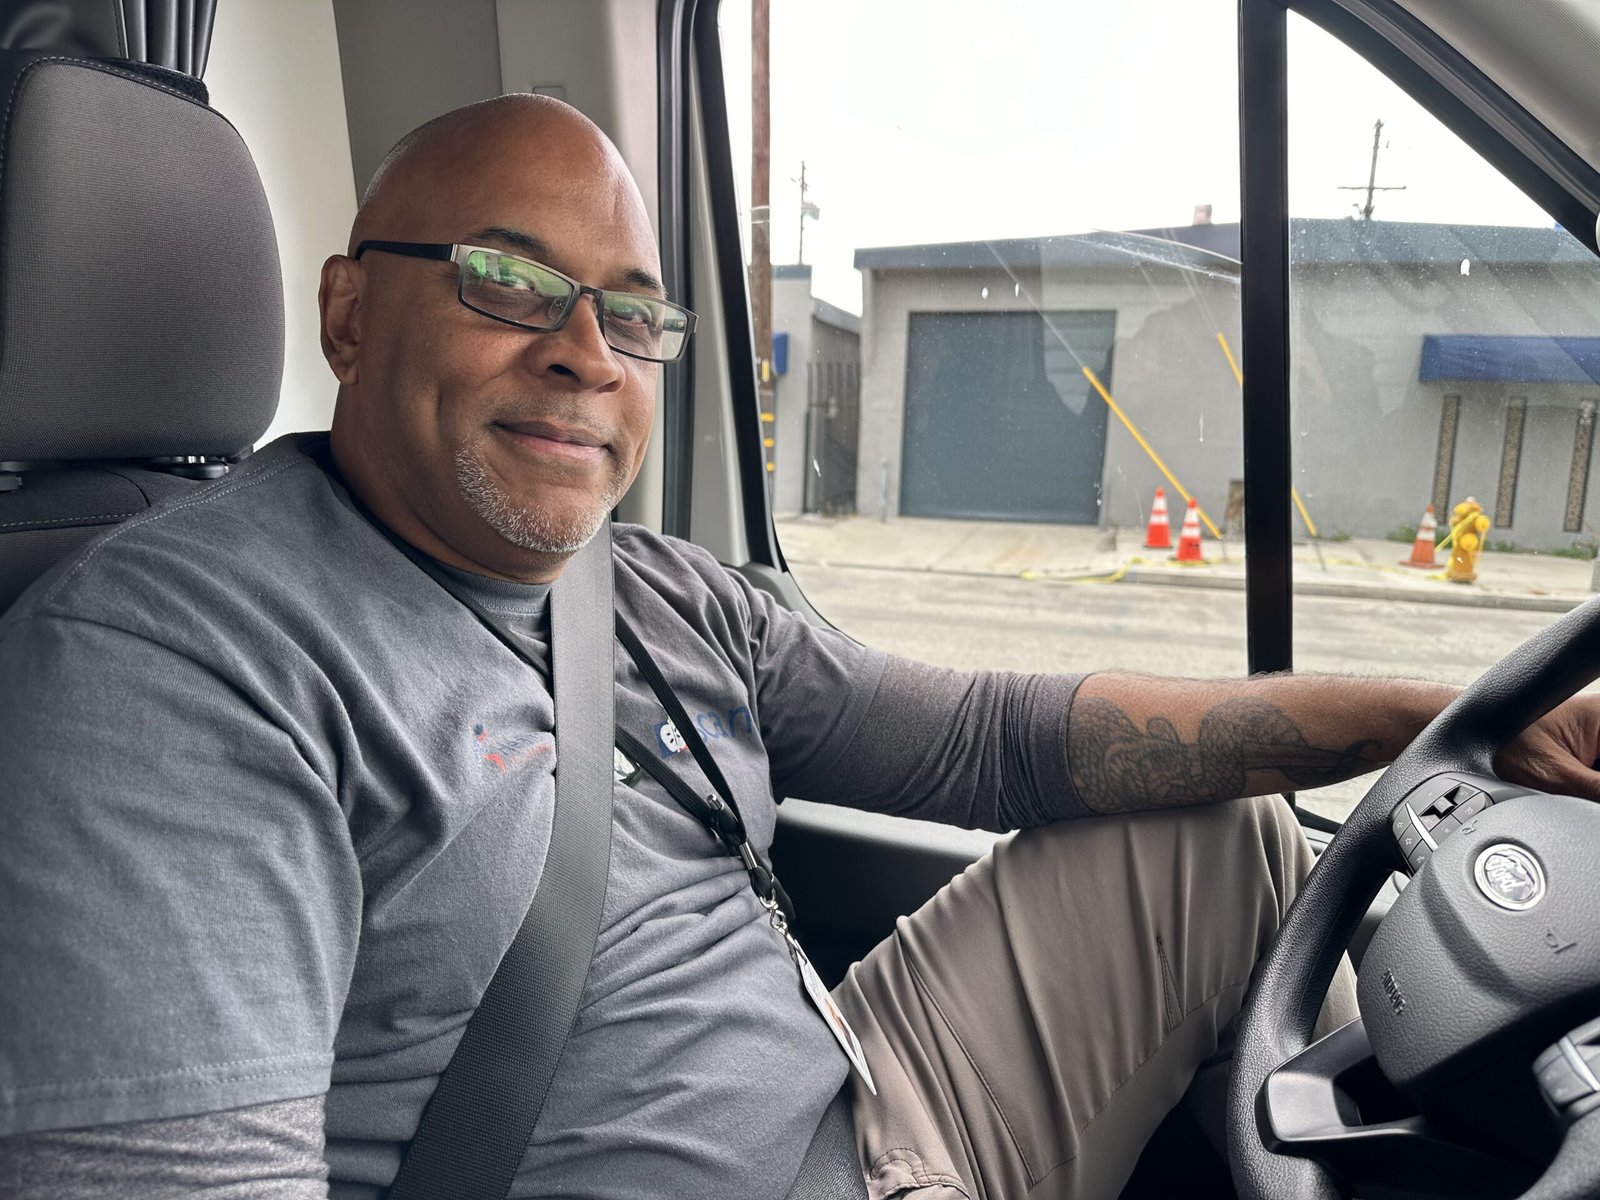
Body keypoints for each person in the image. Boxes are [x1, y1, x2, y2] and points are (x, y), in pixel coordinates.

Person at [1, 94, 1597, 1200]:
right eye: (507, 279)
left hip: (874, 1090)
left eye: (633, 314)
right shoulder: (169, 665)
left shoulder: (659, 592)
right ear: (348, 313)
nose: (581, 352)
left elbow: (1002, 739)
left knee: (1221, 839)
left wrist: (1427, 712)